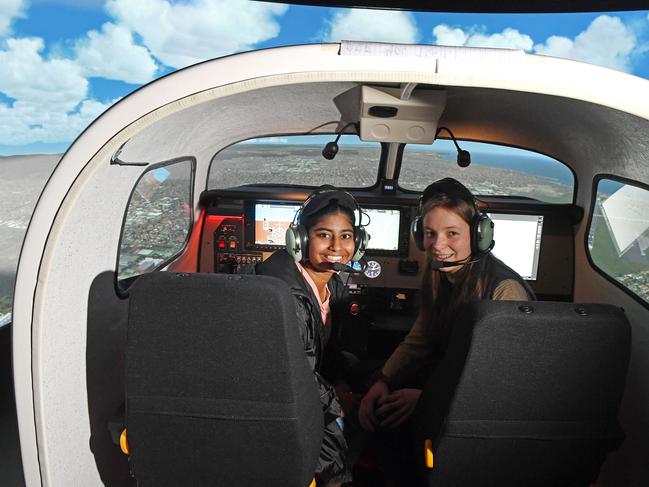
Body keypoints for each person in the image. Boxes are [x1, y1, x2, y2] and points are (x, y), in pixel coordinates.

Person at [358, 177, 535, 432]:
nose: (438, 246)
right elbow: (419, 340)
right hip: (445, 387)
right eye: (430, 234)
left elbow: (503, 379)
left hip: (478, 410)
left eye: (452, 233)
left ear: (478, 236)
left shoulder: (504, 291)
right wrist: (382, 380)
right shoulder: (439, 274)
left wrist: (428, 398)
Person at [256, 186, 369, 486]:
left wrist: (346, 383)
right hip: (280, 395)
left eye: (345, 236)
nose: (336, 246)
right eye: (323, 235)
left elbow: (326, 350)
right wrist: (338, 398)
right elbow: (297, 373)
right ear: (301, 240)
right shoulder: (287, 294)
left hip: (306, 387)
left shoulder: (333, 285)